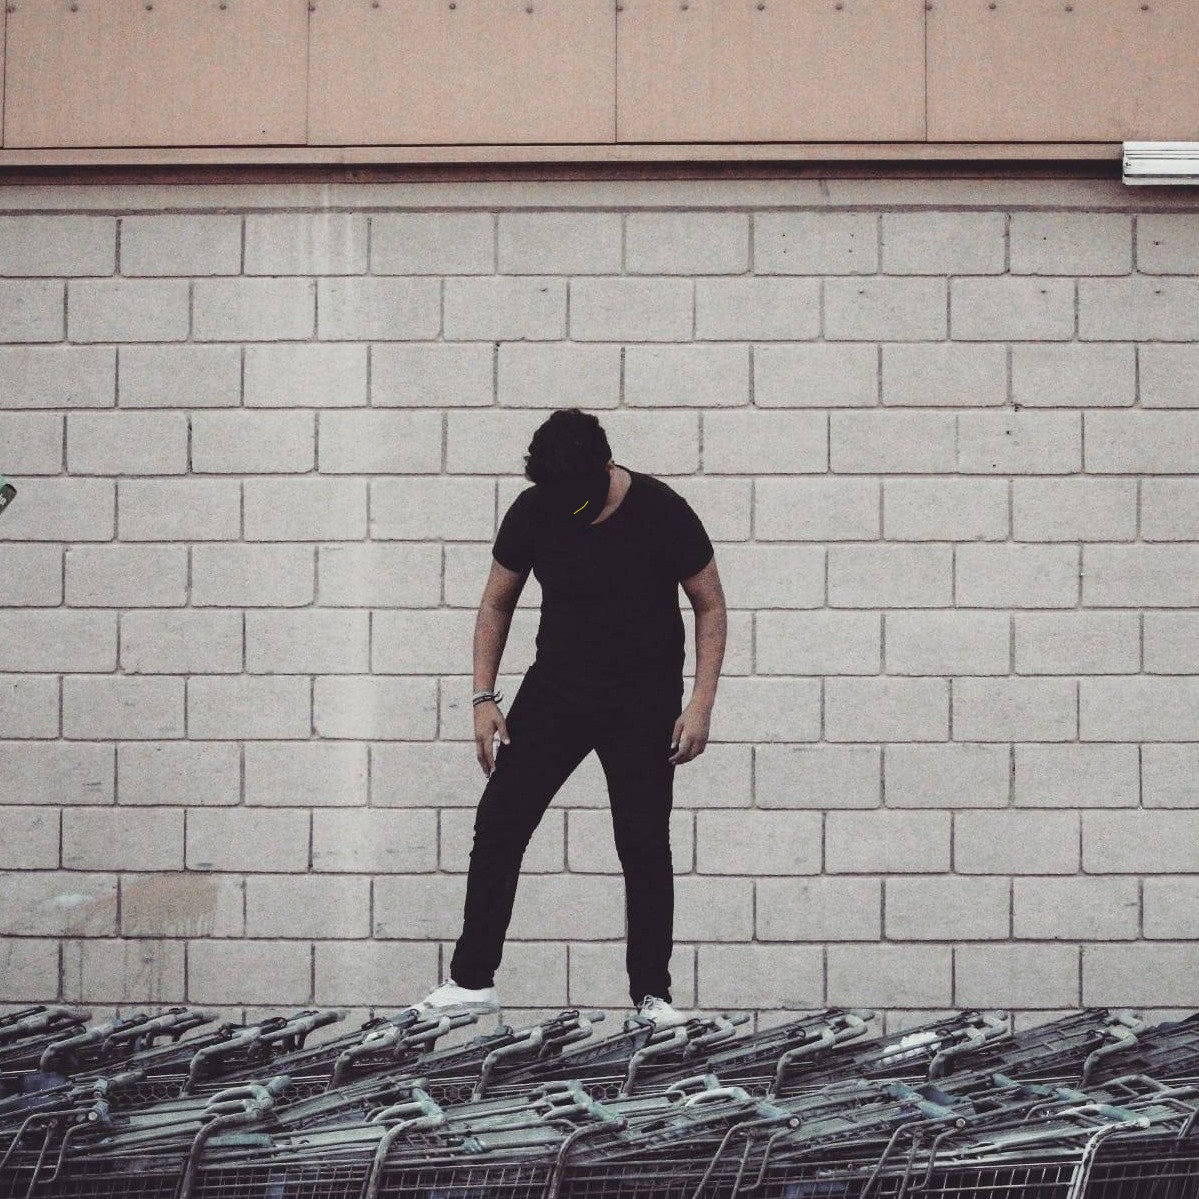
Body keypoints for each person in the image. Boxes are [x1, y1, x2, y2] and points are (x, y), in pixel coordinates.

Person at [407, 408, 727, 1029]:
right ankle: (472, 980)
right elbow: (496, 603)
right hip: (557, 690)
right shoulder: (536, 508)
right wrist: (482, 697)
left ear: (606, 467)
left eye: (579, 498)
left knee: (642, 841)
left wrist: (701, 704)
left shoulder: (662, 510)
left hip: (642, 698)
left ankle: (652, 997)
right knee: (500, 822)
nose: (569, 510)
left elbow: (709, 604)